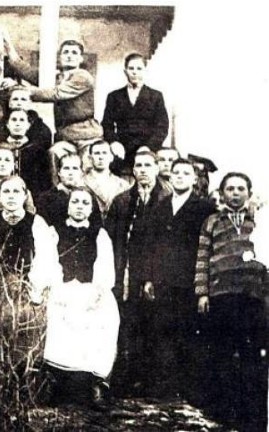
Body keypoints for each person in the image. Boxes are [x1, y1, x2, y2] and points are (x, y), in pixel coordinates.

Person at [0, 175, 62, 398]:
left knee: (28, 323)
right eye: (6, 192)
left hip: (28, 285)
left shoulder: (36, 222)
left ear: (24, 196)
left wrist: (37, 287)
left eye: (16, 192)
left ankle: (25, 384)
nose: (11, 197)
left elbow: (47, 258)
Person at [194, 172, 267, 431]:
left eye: (240, 189)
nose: (235, 193)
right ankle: (225, 414)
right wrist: (203, 292)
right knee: (222, 355)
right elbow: (202, 258)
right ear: (222, 193)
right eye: (230, 189)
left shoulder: (259, 221)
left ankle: (254, 418)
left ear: (249, 193)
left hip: (252, 297)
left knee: (252, 357)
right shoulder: (212, 222)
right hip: (221, 296)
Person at [142, 158, 215, 398]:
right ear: (170, 177)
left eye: (186, 173)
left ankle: (188, 390)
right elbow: (151, 246)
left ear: (194, 179)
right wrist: (149, 279)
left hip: (189, 283)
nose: (180, 177)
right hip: (163, 282)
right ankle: (164, 388)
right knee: (162, 332)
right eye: (176, 173)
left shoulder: (204, 208)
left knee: (188, 333)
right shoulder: (160, 207)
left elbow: (207, 248)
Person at [44, 187, 120, 407]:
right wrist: (55, 287)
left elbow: (105, 266)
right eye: (75, 202)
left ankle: (96, 385)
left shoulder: (99, 234)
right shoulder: (54, 231)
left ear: (92, 208)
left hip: (91, 289)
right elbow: (49, 261)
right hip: (62, 288)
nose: (79, 207)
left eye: (85, 203)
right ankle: (56, 383)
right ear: (68, 205)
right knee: (57, 317)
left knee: (104, 319)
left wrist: (98, 292)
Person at [105, 149, 170, 396]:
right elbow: (111, 238)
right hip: (128, 269)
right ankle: (125, 381)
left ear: (156, 168)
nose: (142, 170)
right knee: (127, 323)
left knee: (152, 325)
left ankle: (151, 382)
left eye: (147, 165)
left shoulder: (166, 198)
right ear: (133, 170)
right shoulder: (122, 201)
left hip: (154, 271)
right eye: (138, 165)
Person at [4, 38, 102, 147]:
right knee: (53, 153)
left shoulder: (83, 76)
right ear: (60, 57)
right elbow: (27, 71)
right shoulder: (57, 77)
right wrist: (8, 46)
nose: (69, 56)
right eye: (66, 52)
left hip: (87, 136)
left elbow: (56, 93)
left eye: (74, 53)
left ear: (80, 59)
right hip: (65, 135)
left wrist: (19, 88)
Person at [101, 53, 169, 176]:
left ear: (145, 71)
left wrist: (149, 147)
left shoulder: (156, 96)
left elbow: (162, 127)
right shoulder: (114, 96)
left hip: (147, 147)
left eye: (139, 69)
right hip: (122, 147)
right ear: (125, 71)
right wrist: (114, 142)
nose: (134, 72)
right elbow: (107, 124)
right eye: (131, 68)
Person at [1, 108, 52, 196]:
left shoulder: (38, 151)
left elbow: (44, 183)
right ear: (7, 125)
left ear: (28, 125)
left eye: (22, 120)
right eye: (14, 120)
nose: (17, 124)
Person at [84, 140, 132, 219]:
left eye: (104, 153)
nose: (101, 157)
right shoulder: (81, 181)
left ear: (111, 157)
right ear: (90, 158)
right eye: (97, 153)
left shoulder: (123, 185)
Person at [37, 153, 87, 227]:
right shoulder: (45, 198)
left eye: (75, 168)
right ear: (59, 172)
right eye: (66, 168)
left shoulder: (88, 197)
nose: (70, 173)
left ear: (81, 173)